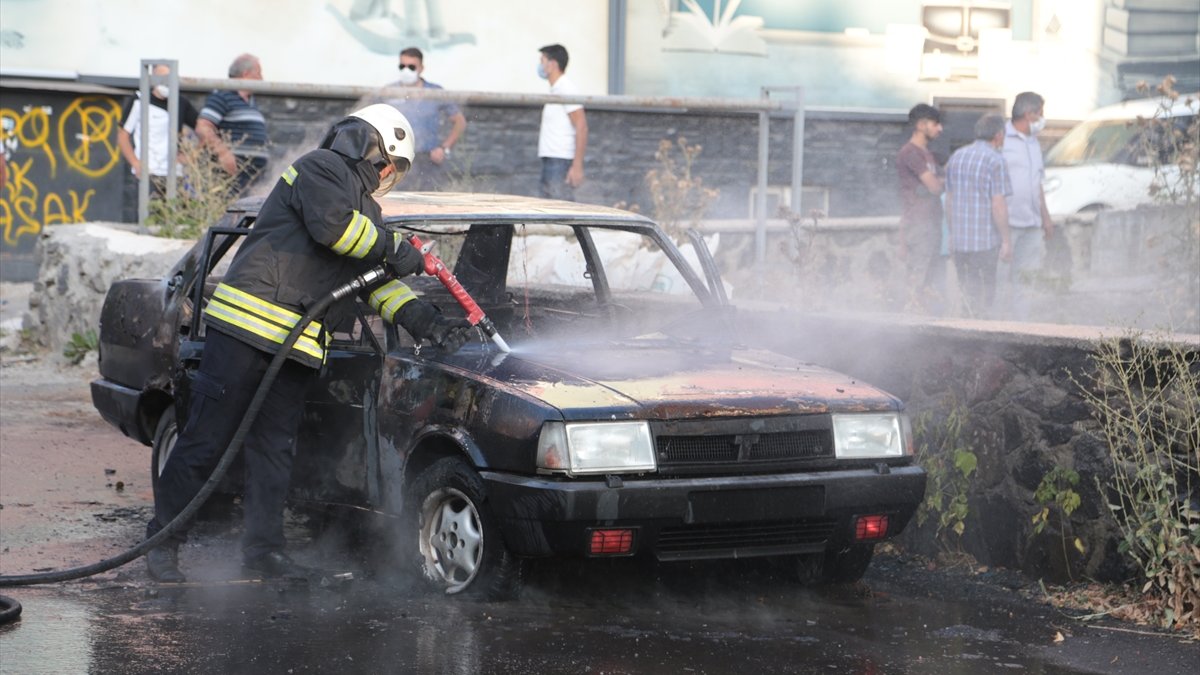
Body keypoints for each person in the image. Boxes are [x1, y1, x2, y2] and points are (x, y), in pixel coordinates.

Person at [143, 103, 474, 582]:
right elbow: (335, 230)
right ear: (365, 144)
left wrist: (427, 320)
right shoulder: (319, 169)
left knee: (274, 453)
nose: (387, 174)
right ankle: (162, 545)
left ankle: (263, 553)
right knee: (206, 442)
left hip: (294, 349)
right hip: (244, 333)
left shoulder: (369, 210)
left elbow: (375, 282)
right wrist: (396, 248)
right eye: (387, 163)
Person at [945, 113, 1013, 318]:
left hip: (960, 244)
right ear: (999, 135)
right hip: (984, 244)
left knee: (967, 294)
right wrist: (1007, 240)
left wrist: (951, 233)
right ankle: (984, 340)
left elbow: (949, 199)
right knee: (985, 298)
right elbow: (998, 204)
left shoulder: (956, 156)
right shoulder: (996, 160)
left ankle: (965, 339)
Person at [117, 63, 201, 221]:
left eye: (170, 77)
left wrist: (191, 155)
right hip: (148, 173)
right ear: (153, 78)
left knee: (171, 219)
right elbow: (123, 135)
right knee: (146, 219)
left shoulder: (181, 103)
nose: (166, 82)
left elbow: (204, 129)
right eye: (162, 77)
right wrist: (135, 162)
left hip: (174, 173)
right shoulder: (139, 100)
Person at [1001, 91, 1055, 321]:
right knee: (1001, 279)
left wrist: (1046, 217)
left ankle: (1020, 326)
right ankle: (995, 327)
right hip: (1008, 224)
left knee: (1026, 279)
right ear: (1028, 114)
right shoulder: (1000, 138)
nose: (1042, 119)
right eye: (1040, 114)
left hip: (1032, 224)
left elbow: (1037, 183)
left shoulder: (1033, 142)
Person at [384, 46, 466, 191]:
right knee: (397, 203)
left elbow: (459, 121)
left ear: (421, 68)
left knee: (429, 203)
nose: (406, 70)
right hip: (397, 160)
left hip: (429, 161)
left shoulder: (435, 92)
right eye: (402, 66)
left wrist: (444, 148)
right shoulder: (389, 91)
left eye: (411, 67)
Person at [895, 103, 946, 313]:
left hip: (932, 223)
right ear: (921, 125)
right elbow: (934, 186)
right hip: (919, 225)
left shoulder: (927, 154)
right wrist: (943, 179)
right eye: (935, 124)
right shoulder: (910, 153)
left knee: (930, 284)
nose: (940, 129)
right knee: (918, 282)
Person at [196, 54, 270, 197]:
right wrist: (223, 152)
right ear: (246, 74)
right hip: (233, 177)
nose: (262, 78)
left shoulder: (250, 101)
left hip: (252, 178)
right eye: (259, 73)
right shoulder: (223, 96)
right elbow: (203, 126)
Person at [536, 44, 587, 201]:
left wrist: (577, 166)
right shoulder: (556, 90)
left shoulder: (566, 89)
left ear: (553, 64)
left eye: (542, 60)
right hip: (551, 160)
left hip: (560, 161)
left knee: (560, 214)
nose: (540, 65)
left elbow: (581, 126)